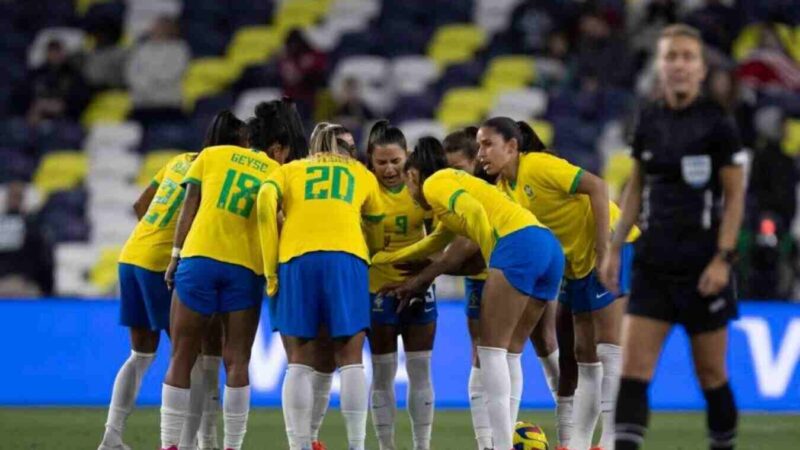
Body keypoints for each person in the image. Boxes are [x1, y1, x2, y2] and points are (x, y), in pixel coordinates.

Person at [600, 24, 744, 450]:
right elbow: (635, 188)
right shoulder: (648, 118)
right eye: (671, 57)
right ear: (660, 66)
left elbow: (736, 197)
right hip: (654, 263)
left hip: (703, 265)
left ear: (700, 69)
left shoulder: (717, 123)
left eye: (687, 57)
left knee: (712, 376)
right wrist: (614, 247)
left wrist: (723, 259)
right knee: (633, 372)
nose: (679, 65)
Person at [373, 138, 564, 450]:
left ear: (412, 176)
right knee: (510, 352)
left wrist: (494, 256)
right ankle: (508, 440)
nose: (409, 194)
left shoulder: (435, 183)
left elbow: (473, 211)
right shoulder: (450, 188)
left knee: (489, 353)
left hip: (516, 245)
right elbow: (434, 243)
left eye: (408, 185)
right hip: (546, 246)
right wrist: (384, 260)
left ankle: (499, 445)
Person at [477, 117, 639, 450]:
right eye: (479, 145)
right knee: (583, 354)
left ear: (512, 147)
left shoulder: (537, 166)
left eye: (487, 144)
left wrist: (604, 248)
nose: (481, 153)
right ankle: (578, 443)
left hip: (608, 246)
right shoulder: (504, 189)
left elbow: (596, 186)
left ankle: (610, 441)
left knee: (609, 348)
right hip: (575, 266)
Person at [99, 110, 242, 450]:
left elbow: (140, 204)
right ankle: (188, 444)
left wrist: (154, 237)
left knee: (140, 354)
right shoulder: (219, 173)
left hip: (131, 255)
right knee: (186, 357)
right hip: (160, 265)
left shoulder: (179, 161)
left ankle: (112, 436)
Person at [158, 105, 284, 450]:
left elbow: (190, 205)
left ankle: (169, 444)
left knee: (182, 356)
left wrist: (174, 256)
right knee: (237, 361)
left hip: (199, 258)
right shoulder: (274, 170)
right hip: (245, 267)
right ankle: (232, 446)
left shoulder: (210, 155)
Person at [257, 126, 385, 450]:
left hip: (296, 258)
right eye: (351, 147)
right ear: (341, 148)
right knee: (351, 356)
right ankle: (357, 445)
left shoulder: (290, 170)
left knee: (299, 358)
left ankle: (298, 444)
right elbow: (377, 224)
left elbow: (263, 202)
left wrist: (269, 266)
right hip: (348, 257)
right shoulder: (361, 174)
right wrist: (368, 251)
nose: (354, 154)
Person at [364, 121, 435, 450]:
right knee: (382, 373)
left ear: (407, 156)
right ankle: (386, 446)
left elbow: (441, 235)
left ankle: (422, 445)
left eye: (396, 161)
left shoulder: (424, 188)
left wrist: (428, 269)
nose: (390, 169)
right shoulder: (364, 188)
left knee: (420, 369)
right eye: (382, 162)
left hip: (419, 287)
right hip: (379, 288)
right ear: (370, 160)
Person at [126, 16, 190, 126]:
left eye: (161, 26)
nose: (156, 29)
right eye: (156, 26)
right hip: (141, 104)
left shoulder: (179, 49)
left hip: (168, 104)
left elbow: (173, 73)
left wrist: (151, 84)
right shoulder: (141, 49)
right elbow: (132, 73)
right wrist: (143, 86)